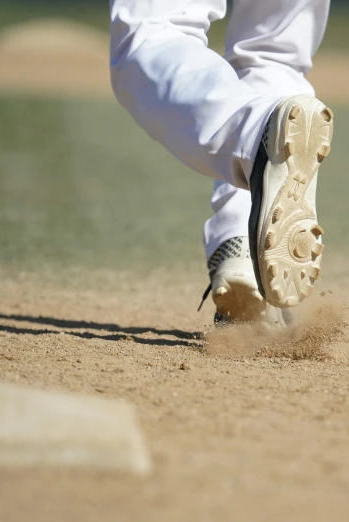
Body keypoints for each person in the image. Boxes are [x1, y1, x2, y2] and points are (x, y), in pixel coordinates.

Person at [109, 0, 333, 326]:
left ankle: (255, 138)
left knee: (154, 32)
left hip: (254, 139)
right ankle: (246, 246)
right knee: (273, 55)